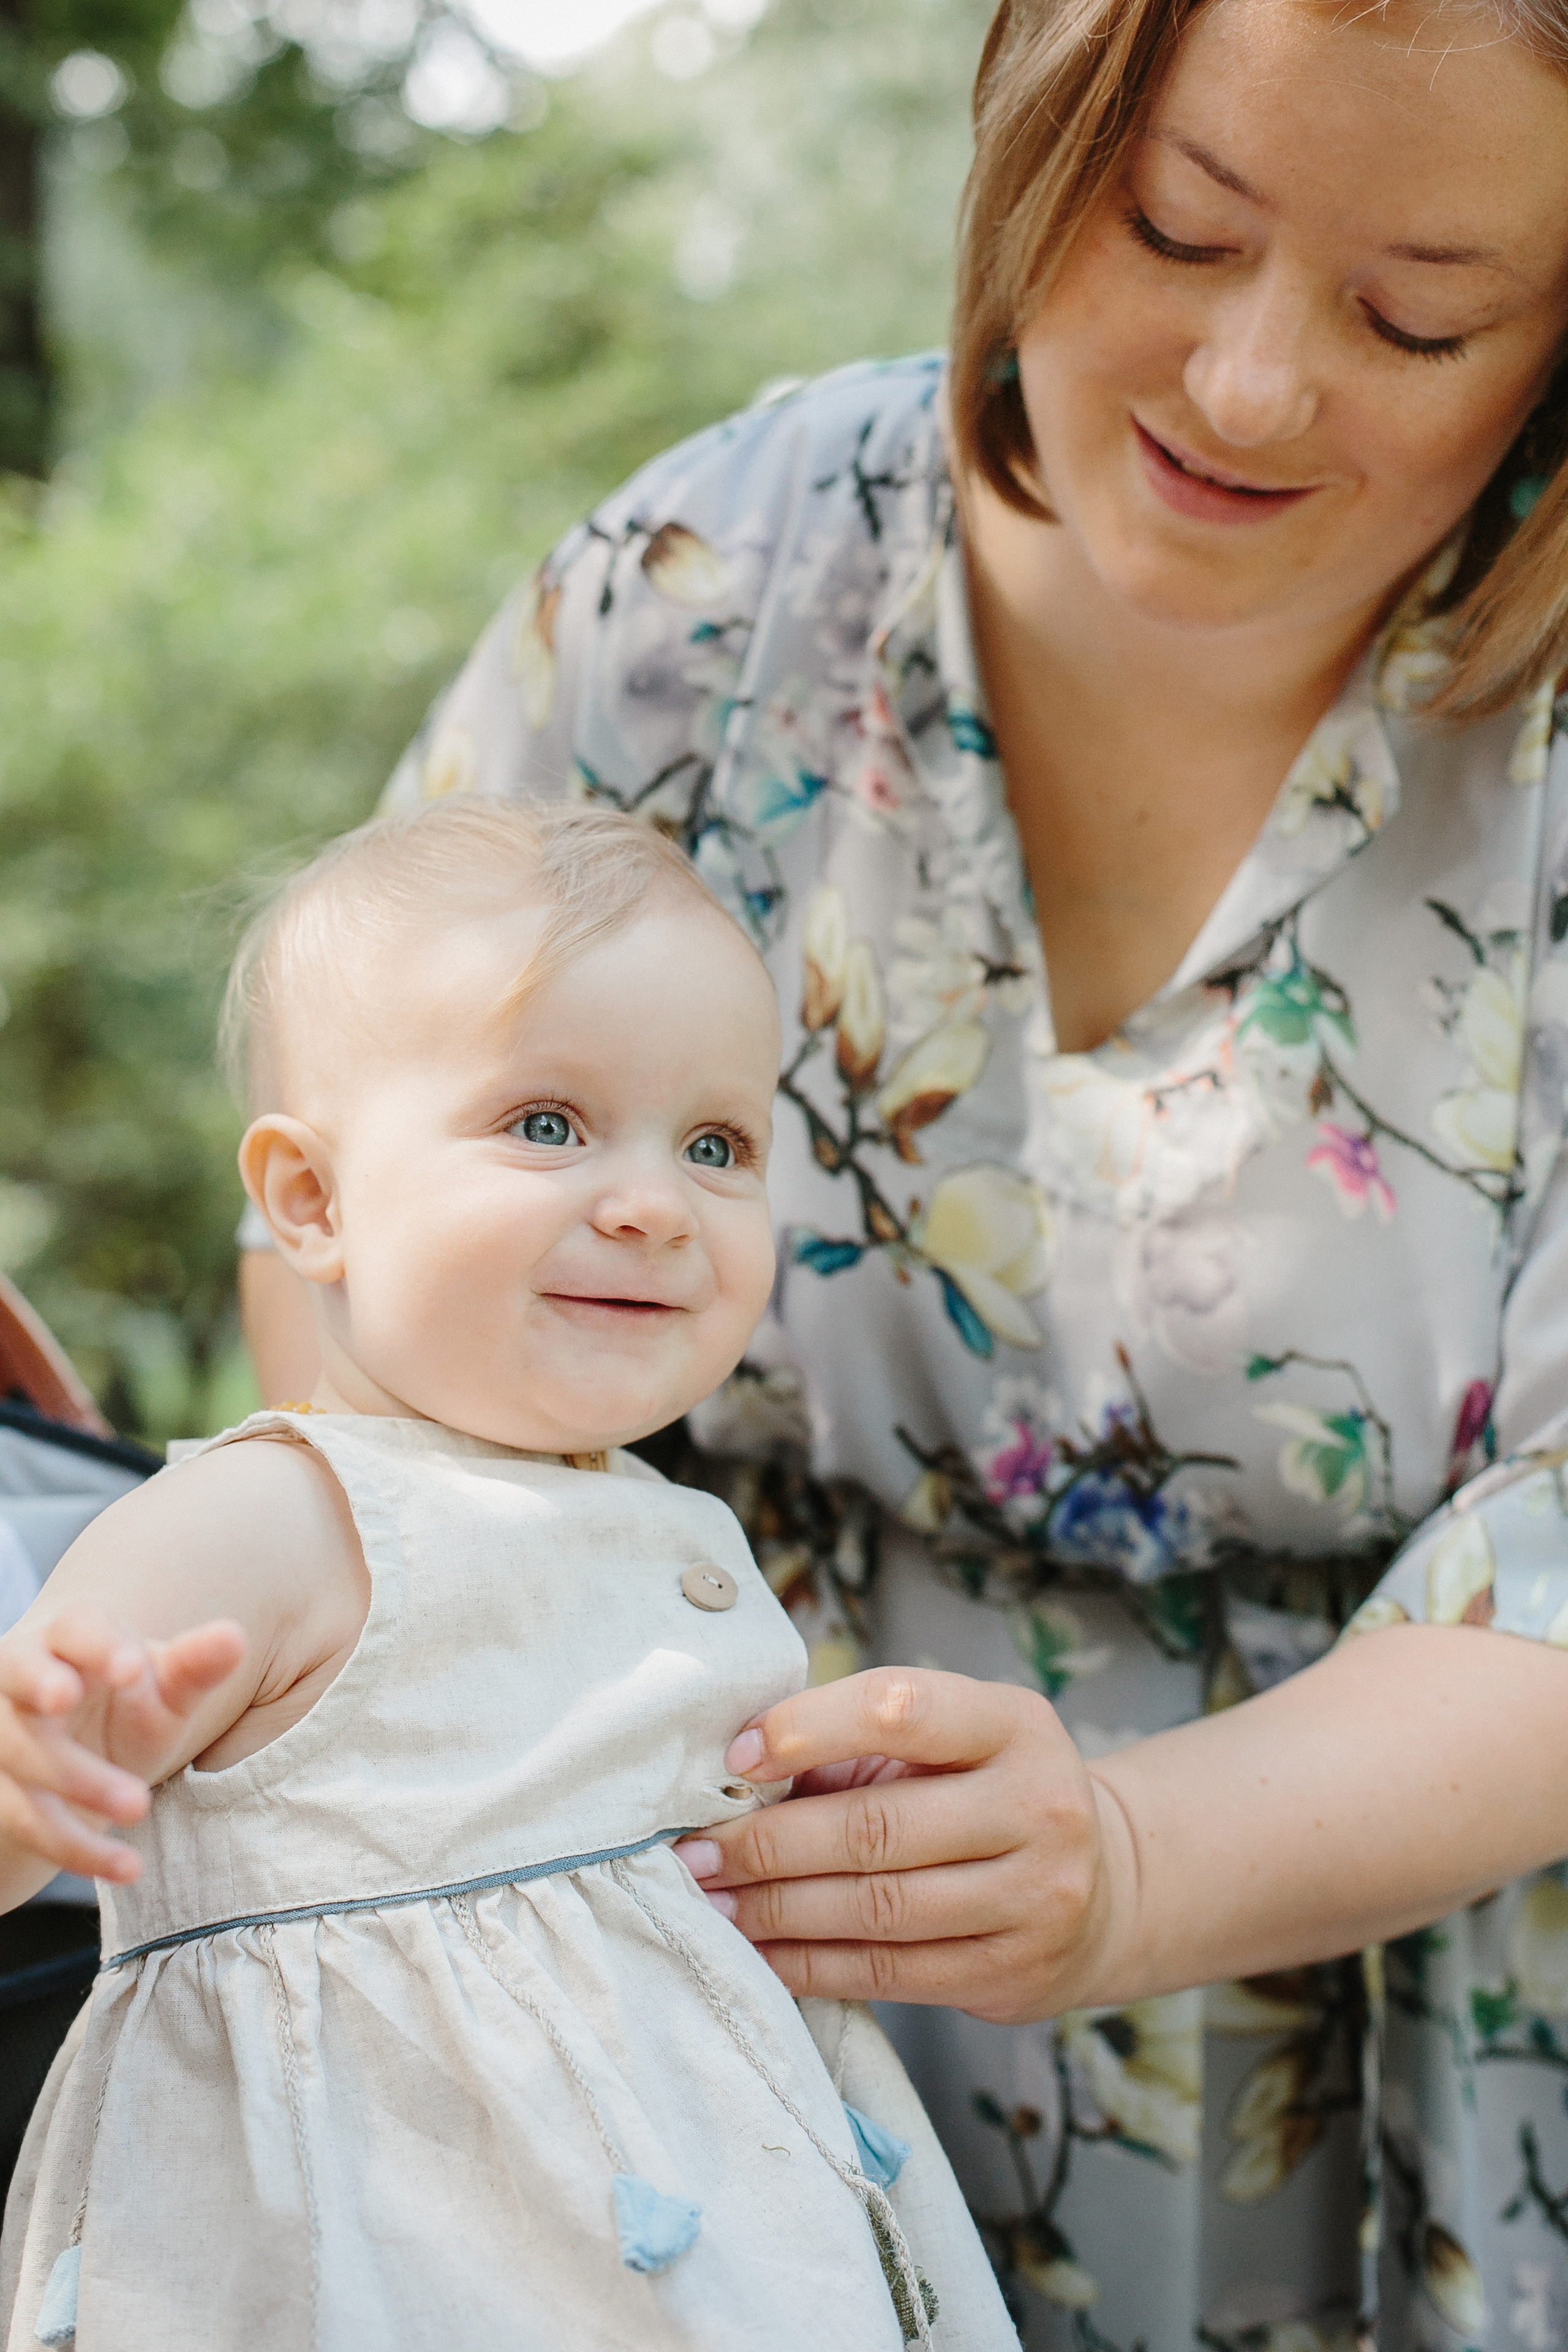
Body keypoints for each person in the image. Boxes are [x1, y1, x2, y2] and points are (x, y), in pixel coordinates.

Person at [238, 0, 1568, 2343]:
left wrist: (1134, 1860)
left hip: (1421, 2043)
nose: (1253, 385)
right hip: (657, 1994)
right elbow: (362, 1200)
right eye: (1180, 226)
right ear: (1031, 131)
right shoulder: (710, 590)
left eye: (1417, 313)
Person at [0, 802, 1019, 2352]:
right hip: (386, 2258)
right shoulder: (275, 1516)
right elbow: (50, 1768)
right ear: (310, 1203)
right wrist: (29, 1790)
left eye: (715, 1145)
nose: (649, 1200)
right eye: (546, 1124)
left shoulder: (650, 1518)